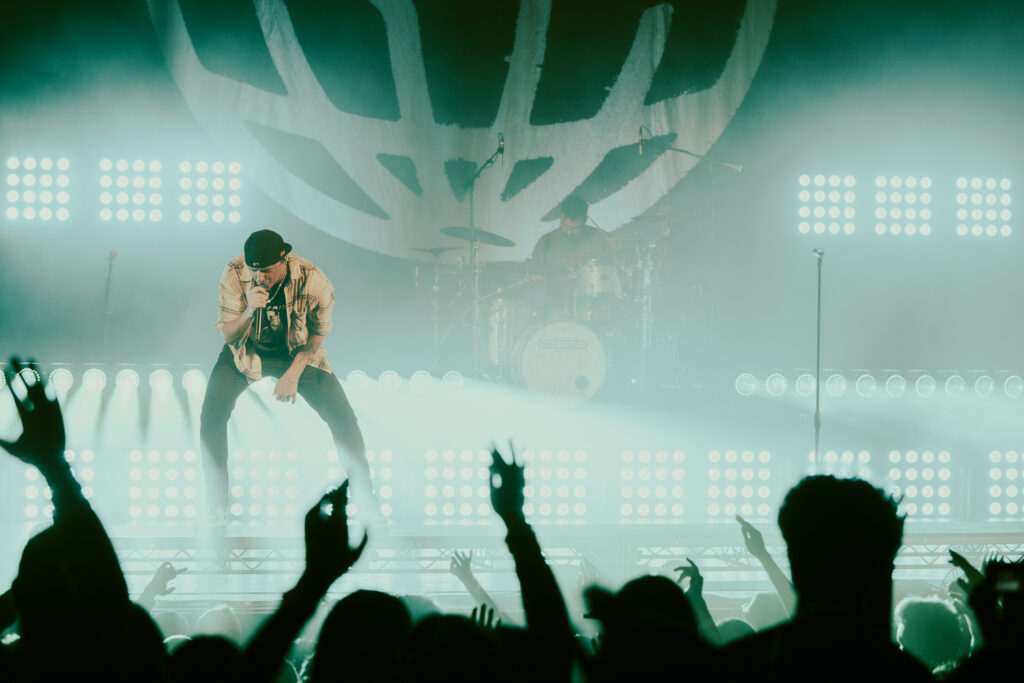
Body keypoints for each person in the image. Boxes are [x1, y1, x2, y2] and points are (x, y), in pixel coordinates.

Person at [199, 229, 372, 522]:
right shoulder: (235, 272)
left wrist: (292, 375)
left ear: (283, 261)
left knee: (342, 417)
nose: (259, 277)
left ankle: (366, 497)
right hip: (245, 352)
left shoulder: (313, 279)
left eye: (266, 271)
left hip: (296, 352)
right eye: (254, 270)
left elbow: (318, 335)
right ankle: (216, 506)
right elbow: (228, 335)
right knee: (211, 416)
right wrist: (249, 311)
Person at [529, 195, 620, 320]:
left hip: (594, 308)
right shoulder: (546, 242)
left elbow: (619, 272)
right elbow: (534, 274)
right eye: (565, 226)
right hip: (556, 306)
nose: (569, 232)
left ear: (585, 220)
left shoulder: (601, 239)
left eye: (575, 228)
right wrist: (535, 277)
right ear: (562, 217)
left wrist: (618, 252)